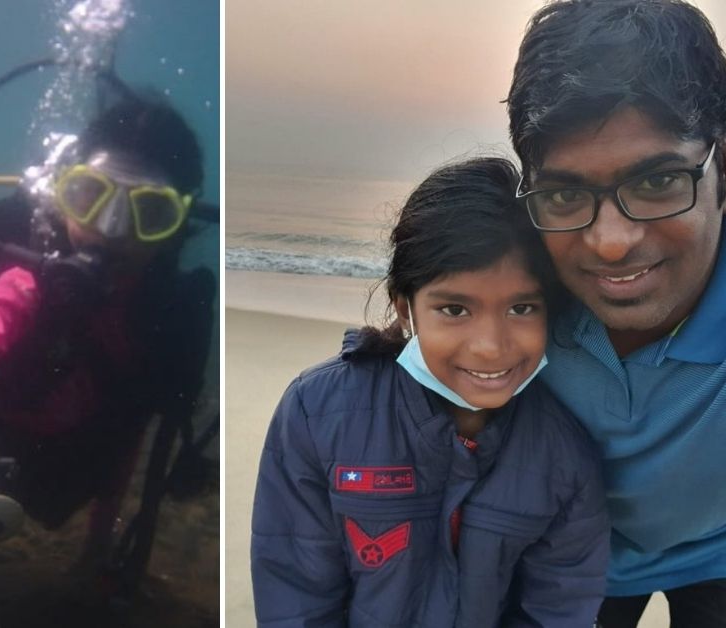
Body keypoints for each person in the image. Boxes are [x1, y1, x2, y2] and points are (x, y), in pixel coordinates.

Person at [507, 1, 726, 625]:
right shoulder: (518, 291)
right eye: (567, 193)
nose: (610, 242)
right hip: (584, 541)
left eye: (656, 182)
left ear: (725, 171)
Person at [250, 158, 608, 627]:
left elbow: (557, 610)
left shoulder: (564, 455)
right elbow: (294, 596)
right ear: (406, 309)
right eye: (455, 309)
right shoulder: (318, 415)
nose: (490, 347)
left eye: (522, 307)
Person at [0, 95, 216, 590]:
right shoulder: (18, 262)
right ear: (63, 190)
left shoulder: (162, 316)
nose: (110, 231)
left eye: (150, 213)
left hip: (48, 454)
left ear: (175, 228)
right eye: (90, 197)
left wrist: (97, 550)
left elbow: (130, 432)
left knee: (48, 506)